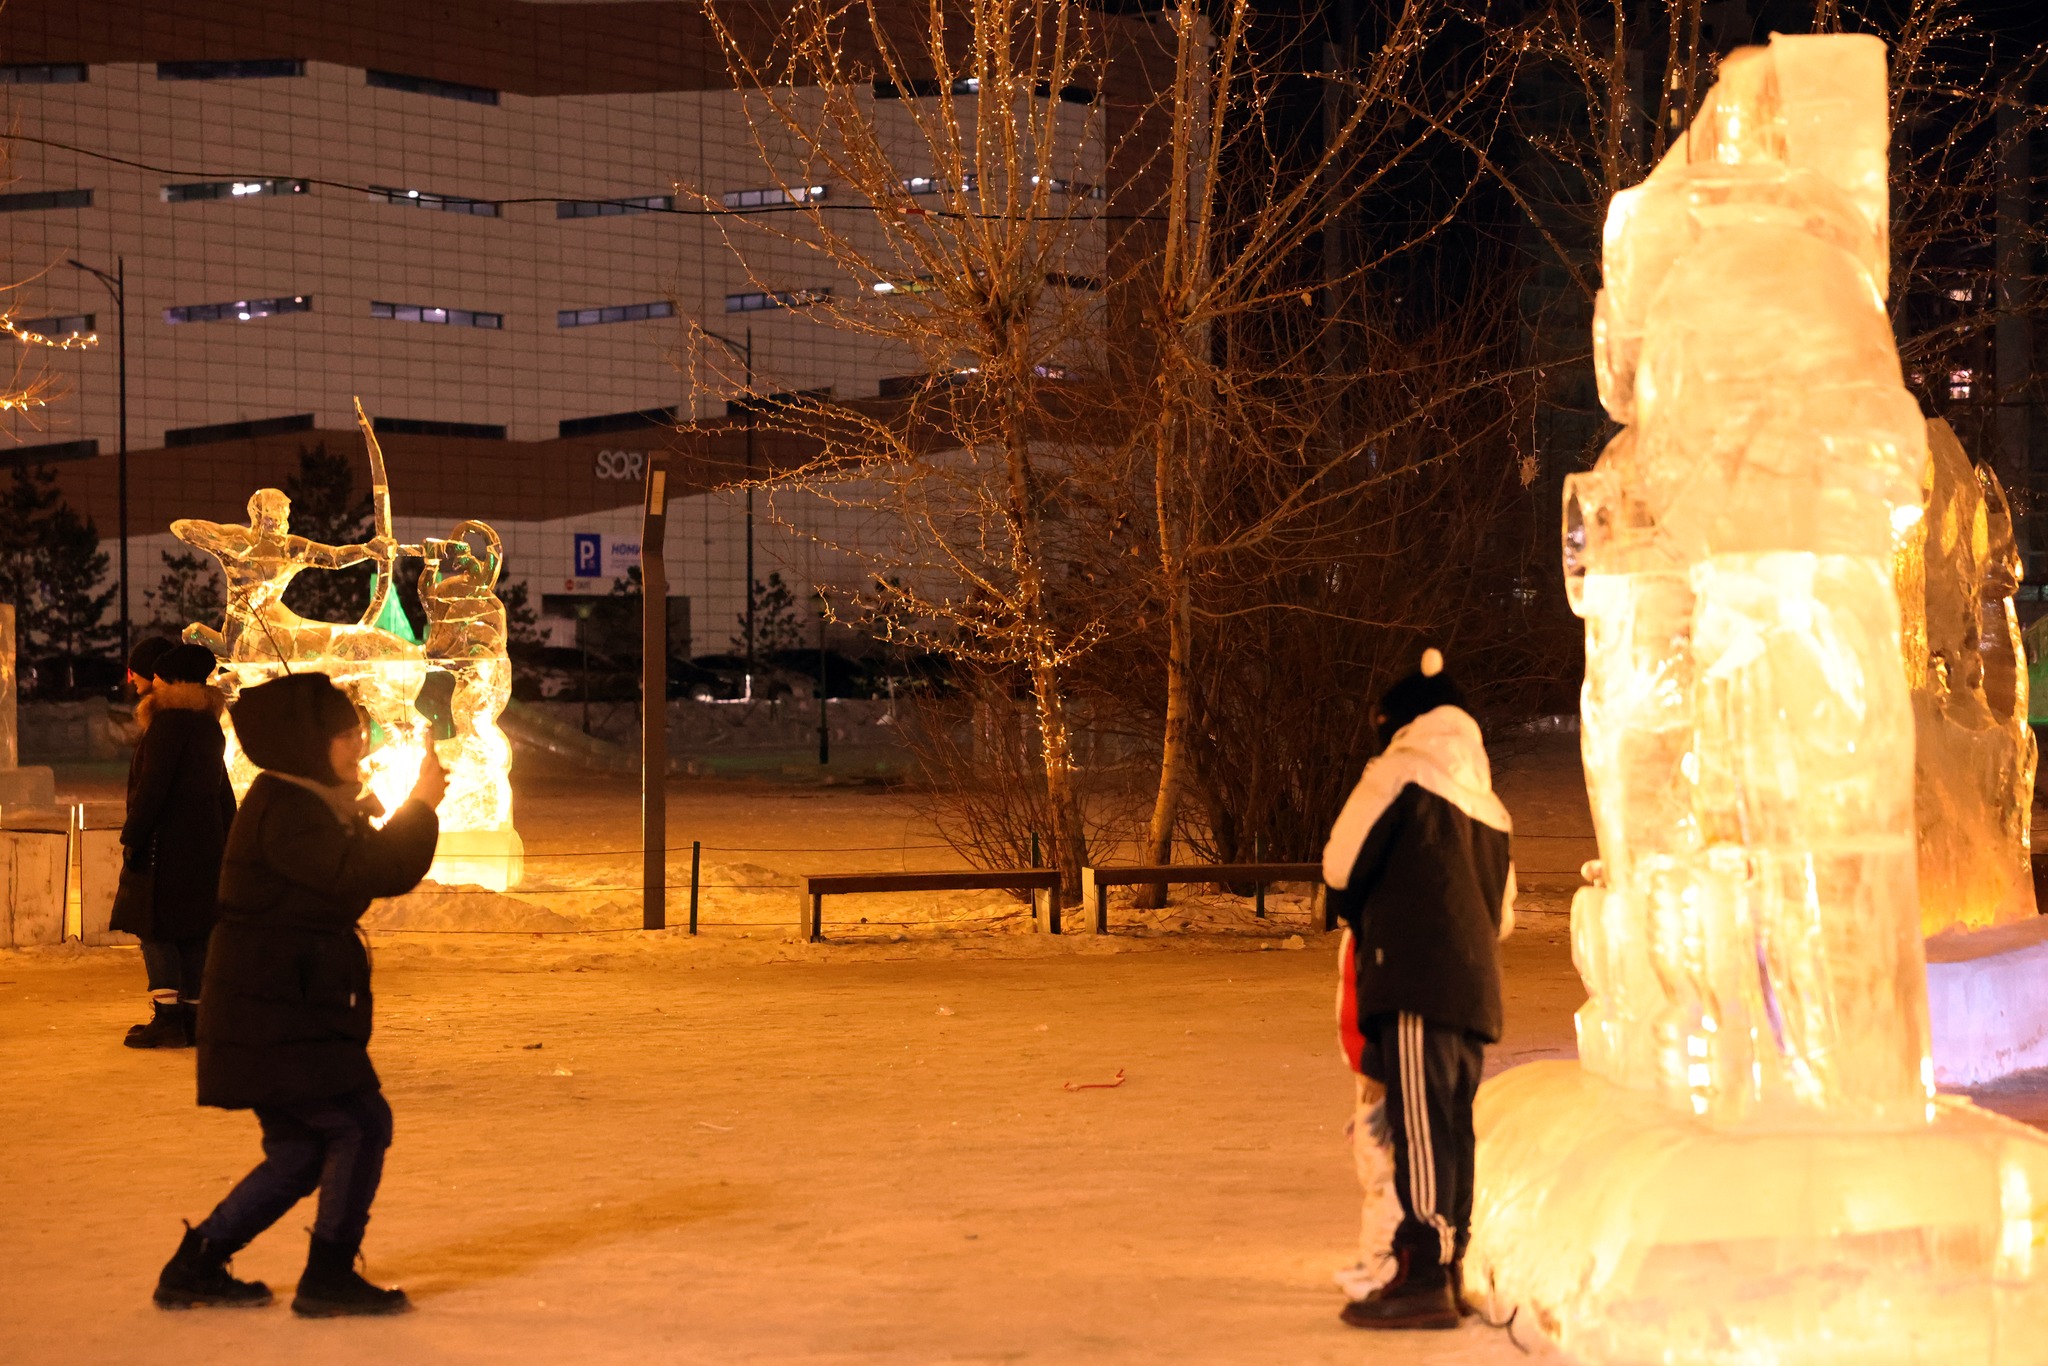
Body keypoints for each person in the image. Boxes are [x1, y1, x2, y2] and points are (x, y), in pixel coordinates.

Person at [152, 672, 445, 1315]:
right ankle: (328, 1276)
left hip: (282, 1007)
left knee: (300, 1150)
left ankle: (196, 1265)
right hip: (274, 1010)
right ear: (308, 743)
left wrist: (389, 812)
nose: (359, 744)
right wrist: (420, 808)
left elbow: (348, 874)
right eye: (346, 734)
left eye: (358, 731)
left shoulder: (305, 802)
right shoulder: (286, 807)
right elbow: (363, 872)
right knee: (359, 1123)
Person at [1323, 647, 1515, 1331]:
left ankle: (1423, 1272)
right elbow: (1504, 914)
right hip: (1475, 989)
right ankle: (1449, 1262)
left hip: (1412, 975)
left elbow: (1340, 865)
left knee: (1419, 1129)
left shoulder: (1398, 772)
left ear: (1400, 722)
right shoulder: (1490, 805)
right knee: (1452, 1126)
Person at [115, 641, 236, 1049]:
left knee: (155, 926)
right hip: (203, 843)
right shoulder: (207, 724)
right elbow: (222, 790)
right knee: (195, 929)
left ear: (171, 680)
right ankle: (194, 1016)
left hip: (165, 846)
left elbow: (153, 788)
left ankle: (168, 1016)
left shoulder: (168, 724)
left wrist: (133, 836)